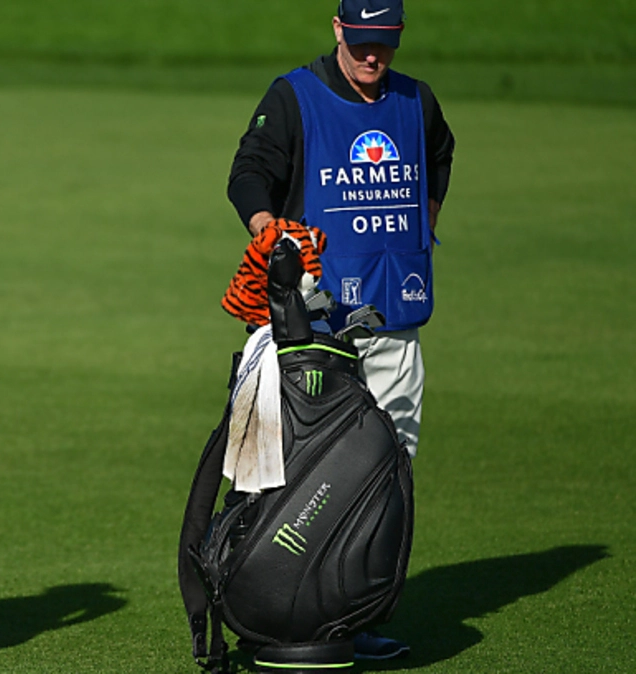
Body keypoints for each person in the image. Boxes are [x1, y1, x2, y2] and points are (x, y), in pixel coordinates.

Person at [226, 0, 454, 660]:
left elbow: (440, 155)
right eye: (360, 41)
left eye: (383, 42)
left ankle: (353, 617)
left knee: (385, 477)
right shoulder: (293, 97)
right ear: (337, 31)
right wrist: (270, 233)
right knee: (278, 475)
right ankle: (257, 606)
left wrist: (418, 230)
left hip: (394, 321)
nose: (371, 54)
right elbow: (248, 173)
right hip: (311, 332)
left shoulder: (416, 101)